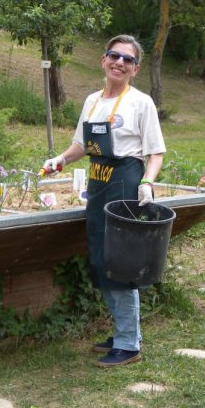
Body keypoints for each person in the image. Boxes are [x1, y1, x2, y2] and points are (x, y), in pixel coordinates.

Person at [42, 35, 165, 367]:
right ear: (104, 59)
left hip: (126, 181)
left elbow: (155, 152)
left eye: (127, 60)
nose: (119, 63)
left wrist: (147, 183)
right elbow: (82, 145)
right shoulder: (92, 101)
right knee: (100, 258)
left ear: (136, 69)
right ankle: (126, 331)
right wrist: (61, 160)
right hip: (98, 182)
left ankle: (128, 344)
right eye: (114, 56)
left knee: (120, 263)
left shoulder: (141, 103)